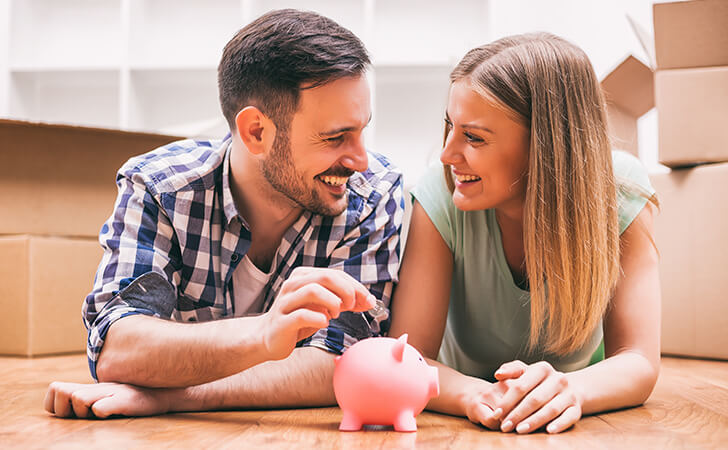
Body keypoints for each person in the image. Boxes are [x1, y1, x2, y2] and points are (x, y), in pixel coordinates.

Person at [44, 9, 403, 419]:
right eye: (336, 137)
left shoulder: (371, 195)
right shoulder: (161, 187)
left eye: (362, 131)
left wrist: (169, 396)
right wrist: (263, 335)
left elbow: (342, 364)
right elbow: (118, 349)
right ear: (256, 132)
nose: (360, 159)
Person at [389, 33, 660, 434]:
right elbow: (408, 357)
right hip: (469, 413)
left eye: (474, 137)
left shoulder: (619, 193)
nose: (447, 153)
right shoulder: (437, 196)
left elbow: (639, 357)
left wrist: (572, 389)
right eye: (450, 126)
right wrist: (472, 395)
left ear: (547, 146)